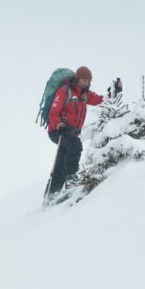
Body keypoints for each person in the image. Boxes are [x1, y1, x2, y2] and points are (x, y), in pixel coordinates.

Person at [46, 66, 105, 197]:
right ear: (77, 79)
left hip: (71, 133)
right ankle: (71, 179)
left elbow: (99, 100)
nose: (85, 83)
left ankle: (50, 195)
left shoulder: (85, 94)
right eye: (83, 80)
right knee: (76, 144)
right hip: (57, 130)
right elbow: (53, 112)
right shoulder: (64, 91)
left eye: (88, 81)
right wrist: (58, 123)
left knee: (60, 164)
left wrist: (115, 91)